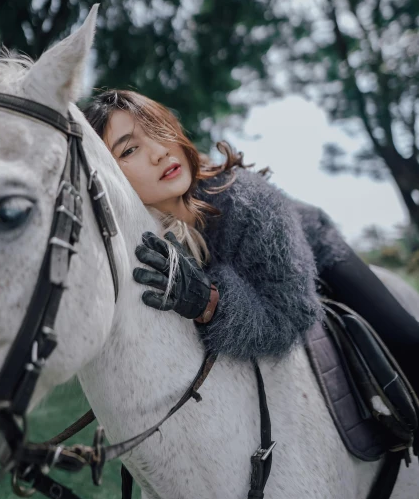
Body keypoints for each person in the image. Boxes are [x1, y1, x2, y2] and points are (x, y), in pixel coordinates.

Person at [83, 89, 419, 392]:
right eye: (129, 149)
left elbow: (291, 316)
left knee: (407, 343)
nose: (158, 152)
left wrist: (210, 303)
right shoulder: (131, 243)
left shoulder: (248, 200)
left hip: (314, 249)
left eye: (159, 131)